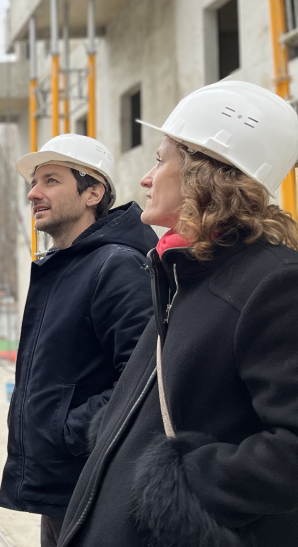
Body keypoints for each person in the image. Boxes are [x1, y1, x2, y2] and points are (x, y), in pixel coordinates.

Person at [59, 81, 298, 546]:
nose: (147, 178)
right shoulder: (183, 274)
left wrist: (186, 485)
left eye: (160, 159)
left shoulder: (274, 283)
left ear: (203, 173)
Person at [0, 134, 157, 546]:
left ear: (93, 192)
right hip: (65, 487)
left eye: (51, 180)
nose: (33, 193)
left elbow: (146, 376)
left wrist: (71, 430)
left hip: (94, 483)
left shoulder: (116, 266)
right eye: (34, 183)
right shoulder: (62, 268)